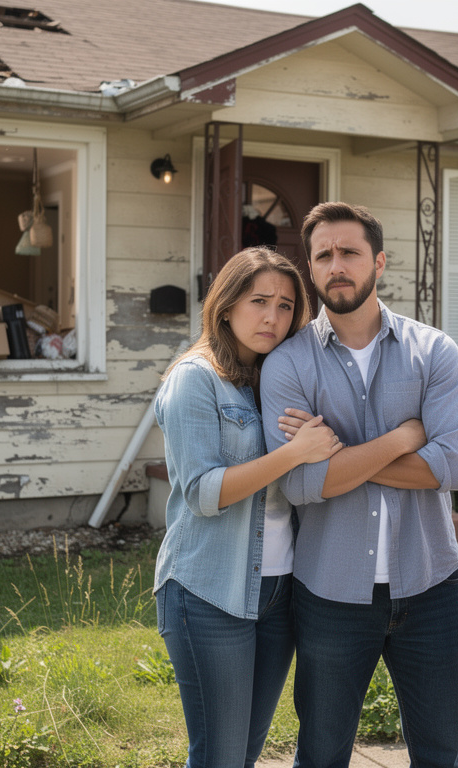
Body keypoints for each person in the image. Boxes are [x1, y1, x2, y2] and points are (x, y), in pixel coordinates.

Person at [261, 202, 458, 768]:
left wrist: (334, 454)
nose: (337, 265)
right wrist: (405, 438)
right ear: (310, 268)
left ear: (379, 262)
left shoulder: (435, 353)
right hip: (329, 594)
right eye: (324, 255)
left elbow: (451, 469)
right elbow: (301, 485)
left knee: (440, 757)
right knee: (322, 756)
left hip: (431, 586)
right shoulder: (287, 364)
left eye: (349, 252)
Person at [153, 247, 342, 768]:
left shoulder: (277, 379)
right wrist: (292, 454)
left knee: (244, 753)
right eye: (259, 301)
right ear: (226, 305)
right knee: (219, 757)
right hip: (209, 590)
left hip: (280, 591)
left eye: (285, 306)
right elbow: (203, 493)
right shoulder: (196, 378)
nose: (272, 317)